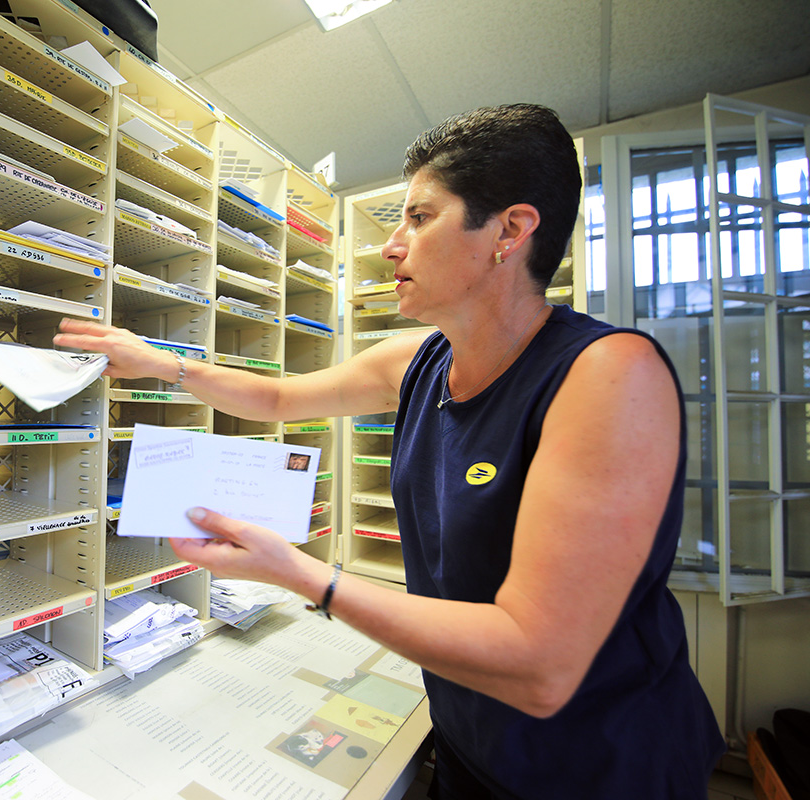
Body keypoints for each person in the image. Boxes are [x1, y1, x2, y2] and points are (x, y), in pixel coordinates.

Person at [54, 104, 725, 798]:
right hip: (471, 739)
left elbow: (540, 665)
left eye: (421, 218)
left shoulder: (609, 375)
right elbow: (282, 399)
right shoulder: (420, 360)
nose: (390, 245)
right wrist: (159, 364)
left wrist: (306, 577)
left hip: (599, 767)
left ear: (511, 230)